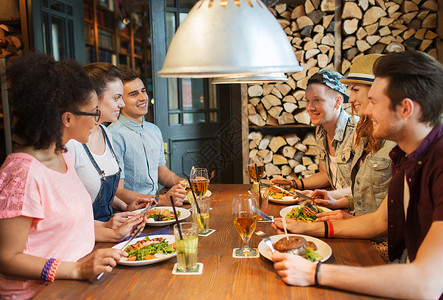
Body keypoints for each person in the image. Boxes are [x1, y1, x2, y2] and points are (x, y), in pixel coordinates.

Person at [271, 51, 443, 299]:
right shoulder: (406, 156)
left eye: (374, 102)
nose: (365, 111)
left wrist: (314, 273)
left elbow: (426, 284)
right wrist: (308, 228)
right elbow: (377, 221)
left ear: (406, 108)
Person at [0, 54, 139, 298]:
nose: (97, 121)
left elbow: (61, 229)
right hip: (39, 293)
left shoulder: (64, 157)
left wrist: (109, 230)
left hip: (76, 283)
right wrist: (76, 269)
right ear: (67, 118)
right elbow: (7, 258)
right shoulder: (22, 173)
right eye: (93, 113)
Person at [310, 55, 396, 222]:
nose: (351, 98)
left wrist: (344, 212)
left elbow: (385, 216)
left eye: (355, 90)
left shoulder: (398, 140)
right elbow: (366, 194)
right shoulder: (363, 129)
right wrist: (337, 202)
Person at [66, 62, 152, 223]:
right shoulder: (71, 144)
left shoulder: (106, 132)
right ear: (93, 98)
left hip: (110, 226)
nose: (122, 104)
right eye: (117, 98)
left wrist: (126, 207)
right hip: (86, 236)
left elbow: (98, 192)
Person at [108, 68, 186, 206]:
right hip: (133, 212)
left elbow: (163, 173)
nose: (143, 97)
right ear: (120, 99)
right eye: (133, 94)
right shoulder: (113, 135)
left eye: (143, 91)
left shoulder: (154, 130)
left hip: (158, 207)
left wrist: (187, 184)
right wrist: (161, 200)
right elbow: (117, 191)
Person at [272, 70, 357, 196]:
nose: (309, 108)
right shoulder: (321, 130)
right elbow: (325, 175)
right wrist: (294, 184)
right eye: (308, 101)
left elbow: (363, 189)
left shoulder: (357, 131)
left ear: (338, 102)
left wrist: (325, 196)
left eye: (317, 100)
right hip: (336, 204)